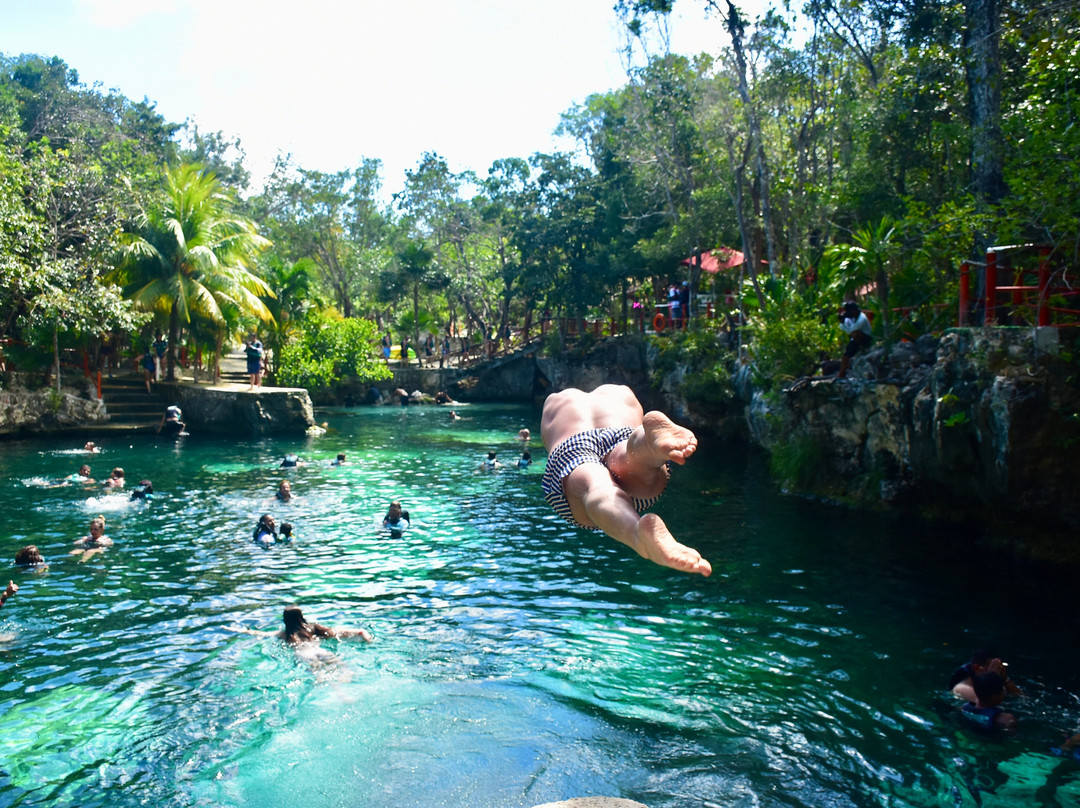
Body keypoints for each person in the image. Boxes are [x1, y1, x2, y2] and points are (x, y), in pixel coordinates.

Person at [540, 384, 712, 576]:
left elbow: (549, 440)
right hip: (620, 431)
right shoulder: (621, 391)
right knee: (629, 454)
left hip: (573, 444)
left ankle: (636, 533)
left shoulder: (555, 400)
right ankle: (647, 445)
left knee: (597, 487)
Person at [229, 605, 373, 645]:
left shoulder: (285, 634)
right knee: (343, 670)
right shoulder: (313, 628)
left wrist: (234, 629)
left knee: (327, 680)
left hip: (305, 655)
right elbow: (336, 632)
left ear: (286, 620)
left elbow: (260, 634)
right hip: (321, 651)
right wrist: (359, 631)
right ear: (301, 617)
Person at [948, 649, 1023, 703]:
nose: (998, 670)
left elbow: (1021, 697)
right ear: (977, 668)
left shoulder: (996, 681)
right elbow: (984, 705)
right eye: (993, 667)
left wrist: (1005, 679)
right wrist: (992, 678)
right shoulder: (963, 688)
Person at [838, 301, 872, 379]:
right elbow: (847, 330)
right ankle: (842, 371)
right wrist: (842, 322)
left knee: (856, 334)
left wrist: (850, 331)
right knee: (848, 352)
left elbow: (854, 330)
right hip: (856, 340)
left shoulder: (862, 318)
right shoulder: (852, 318)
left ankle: (843, 371)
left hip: (866, 339)